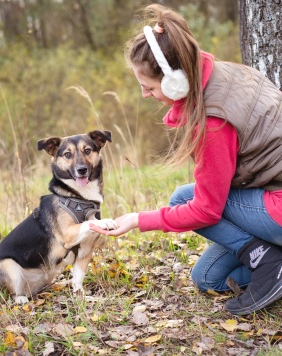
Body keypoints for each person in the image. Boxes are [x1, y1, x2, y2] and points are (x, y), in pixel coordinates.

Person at [90, 3, 282, 315]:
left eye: (148, 87)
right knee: (208, 277)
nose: (144, 94)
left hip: (278, 206)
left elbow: (207, 210)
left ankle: (268, 261)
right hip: (270, 198)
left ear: (174, 81)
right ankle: (269, 261)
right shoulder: (225, 73)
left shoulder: (213, 120)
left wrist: (138, 220)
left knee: (183, 198)